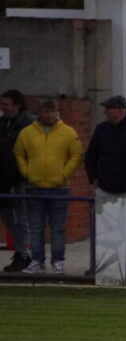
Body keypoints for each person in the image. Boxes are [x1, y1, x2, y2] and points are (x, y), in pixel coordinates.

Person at [13, 99, 83, 274]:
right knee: (35, 227)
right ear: (40, 113)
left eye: (53, 111)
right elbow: (19, 153)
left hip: (60, 187)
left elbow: (77, 153)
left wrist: (64, 173)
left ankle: (58, 261)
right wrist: (26, 172)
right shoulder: (27, 133)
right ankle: (37, 260)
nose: (50, 114)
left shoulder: (68, 132)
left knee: (58, 227)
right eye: (46, 111)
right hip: (34, 186)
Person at [85, 95, 126, 206]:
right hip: (103, 189)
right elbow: (91, 156)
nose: (105, 112)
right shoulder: (101, 129)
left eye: (108, 109)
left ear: (120, 110)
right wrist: (93, 179)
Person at [1, 90, 35, 272]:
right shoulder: (3, 123)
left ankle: (24, 253)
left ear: (17, 105)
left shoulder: (28, 124)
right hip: (5, 176)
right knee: (7, 216)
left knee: (22, 217)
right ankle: (20, 251)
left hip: (21, 177)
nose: (2, 107)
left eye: (6, 104)